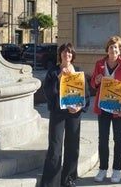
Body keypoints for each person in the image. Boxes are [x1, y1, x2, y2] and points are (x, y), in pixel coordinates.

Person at [40, 43, 90, 187]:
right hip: (58, 113)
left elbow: (85, 95)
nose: (66, 55)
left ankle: (68, 178)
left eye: (69, 53)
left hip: (74, 114)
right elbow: (48, 94)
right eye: (64, 52)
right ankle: (50, 182)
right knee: (55, 147)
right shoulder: (53, 71)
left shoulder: (79, 72)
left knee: (72, 146)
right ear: (60, 55)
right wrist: (58, 79)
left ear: (72, 55)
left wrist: (80, 107)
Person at [90, 36, 121, 183]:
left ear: (120, 50)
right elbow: (93, 84)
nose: (113, 50)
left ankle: (117, 170)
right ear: (107, 49)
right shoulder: (99, 64)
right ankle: (103, 169)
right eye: (111, 47)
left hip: (118, 109)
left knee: (118, 138)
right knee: (102, 139)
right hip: (103, 107)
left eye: (116, 47)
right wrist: (96, 81)